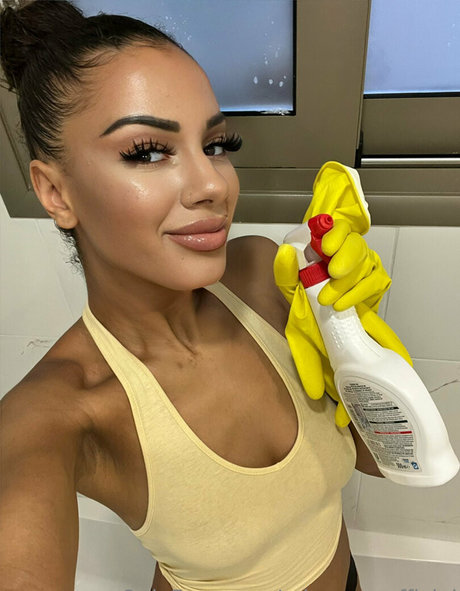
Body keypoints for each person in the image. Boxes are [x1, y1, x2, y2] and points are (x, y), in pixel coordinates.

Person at [0, 2, 389, 590]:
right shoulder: (58, 414)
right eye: (147, 152)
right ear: (56, 193)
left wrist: (356, 346)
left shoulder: (260, 276)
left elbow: (375, 460)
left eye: (215, 144)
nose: (214, 184)